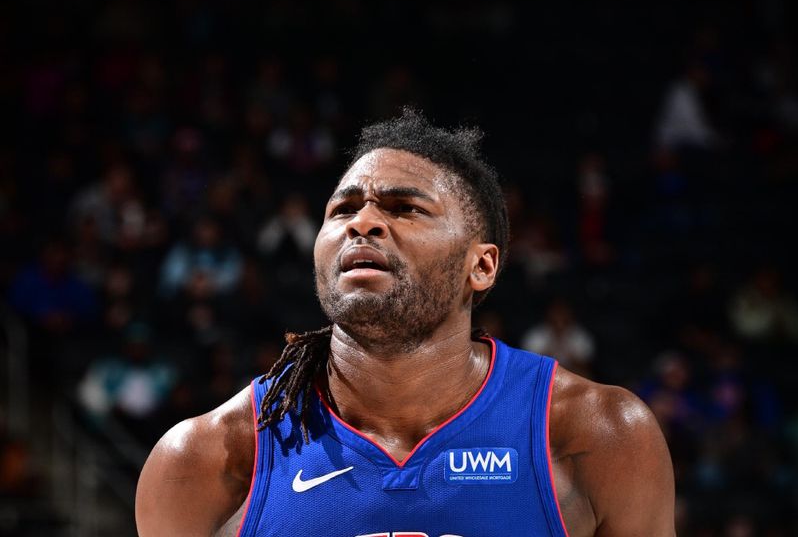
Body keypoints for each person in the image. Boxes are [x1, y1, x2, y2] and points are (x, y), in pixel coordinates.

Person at [136, 109, 675, 536]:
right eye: (342, 210)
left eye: (403, 208)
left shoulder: (599, 436)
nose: (363, 222)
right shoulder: (204, 462)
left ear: (482, 266)